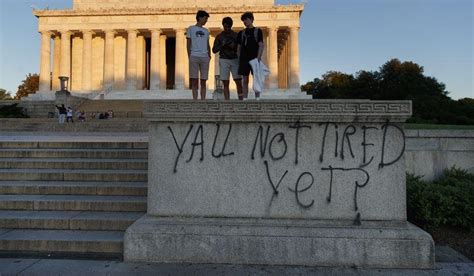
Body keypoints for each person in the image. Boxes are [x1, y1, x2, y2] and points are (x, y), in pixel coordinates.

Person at [212, 17, 243, 100]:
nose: (227, 29)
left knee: (238, 81)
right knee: (225, 82)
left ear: (231, 26)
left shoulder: (236, 35)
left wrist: (233, 46)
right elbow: (214, 50)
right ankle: (227, 102)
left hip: (234, 59)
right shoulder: (219, 36)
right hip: (224, 59)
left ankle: (241, 100)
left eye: (228, 27)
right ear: (223, 26)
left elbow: (240, 48)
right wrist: (222, 44)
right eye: (225, 27)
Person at [237, 12, 264, 100]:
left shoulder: (257, 31)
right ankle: (245, 98)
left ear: (251, 19)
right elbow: (239, 47)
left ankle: (257, 98)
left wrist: (258, 58)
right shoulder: (241, 32)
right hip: (244, 59)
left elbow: (261, 45)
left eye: (246, 19)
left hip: (254, 58)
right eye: (243, 20)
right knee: (245, 79)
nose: (245, 22)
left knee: (256, 78)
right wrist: (239, 57)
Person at [187, 10, 211, 100]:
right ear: (200, 18)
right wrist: (189, 55)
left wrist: (209, 55)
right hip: (194, 55)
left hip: (205, 56)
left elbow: (207, 43)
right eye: (205, 18)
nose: (206, 20)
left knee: (204, 80)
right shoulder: (191, 29)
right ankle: (195, 99)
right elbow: (188, 43)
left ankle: (203, 99)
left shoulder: (206, 31)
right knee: (194, 80)